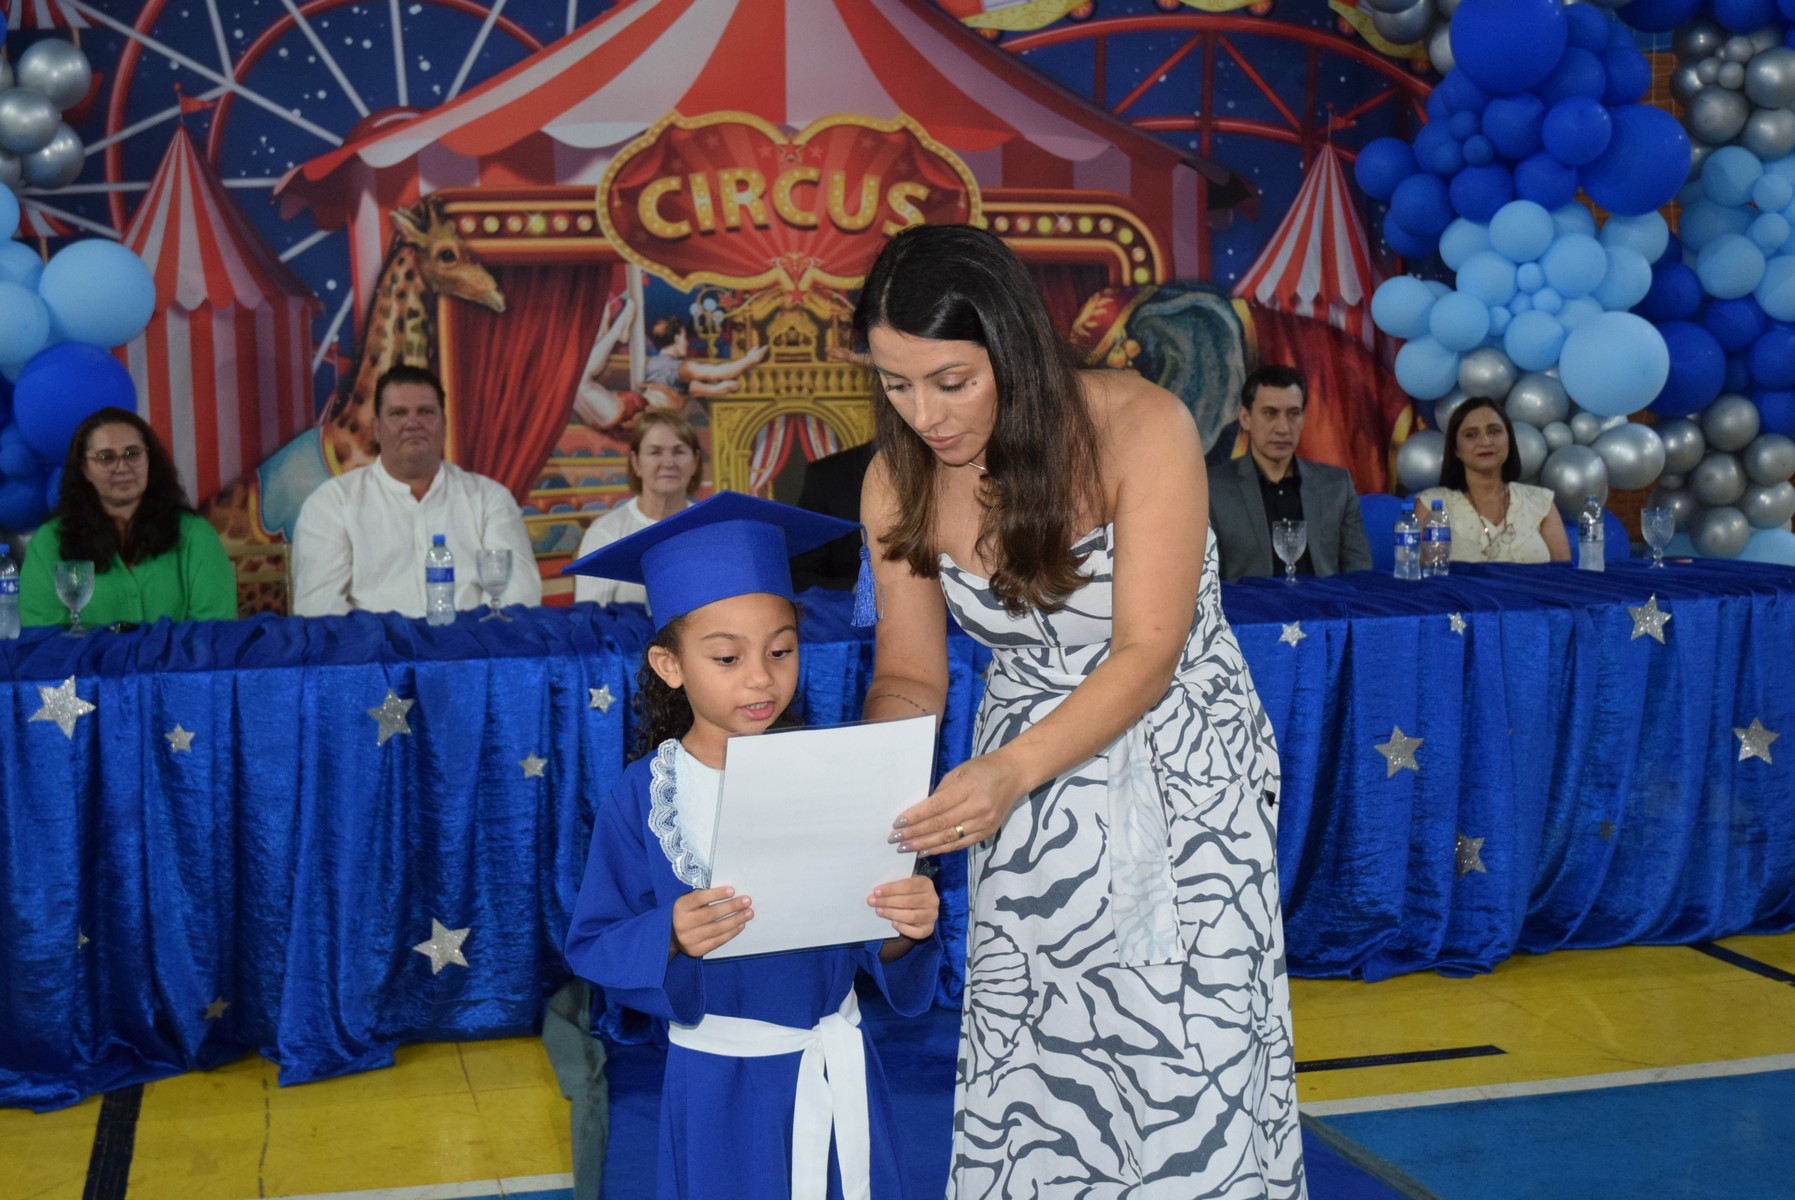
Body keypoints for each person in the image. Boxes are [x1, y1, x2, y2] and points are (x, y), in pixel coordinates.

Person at [853, 225, 1306, 1198]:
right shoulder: (894, 476)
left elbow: (1147, 652)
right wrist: (867, 801)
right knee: (1046, 1065)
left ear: (1010, 347)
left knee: (1186, 1056)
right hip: (1021, 791)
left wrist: (1010, 771)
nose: (922, 412)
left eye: (949, 380)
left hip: (1179, 772)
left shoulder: (1140, 423)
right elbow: (909, 672)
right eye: (894, 384)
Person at [562, 491, 943, 1200]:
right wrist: (668, 933)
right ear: (670, 666)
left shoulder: (837, 777)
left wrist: (905, 926)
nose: (761, 678)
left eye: (780, 650)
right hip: (720, 1088)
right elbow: (594, 939)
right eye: (727, 657)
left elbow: (874, 937)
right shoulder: (646, 797)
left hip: (837, 1066)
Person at [291, 365, 542, 617]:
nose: (412, 423)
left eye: (425, 412)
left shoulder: (489, 499)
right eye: (398, 413)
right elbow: (318, 609)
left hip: (472, 649)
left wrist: (468, 645)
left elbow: (517, 593)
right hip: (376, 652)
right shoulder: (332, 503)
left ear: (443, 424)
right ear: (377, 428)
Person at [20, 407, 236, 628]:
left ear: (149, 459)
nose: (122, 467)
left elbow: (215, 633)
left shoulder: (194, 534)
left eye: (133, 453)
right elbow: (42, 639)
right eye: (106, 457)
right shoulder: (50, 542)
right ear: (84, 469)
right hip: (83, 664)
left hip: (179, 664)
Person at [1208, 363, 1374, 582]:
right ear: (1245, 418)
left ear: (1303, 418)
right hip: (1251, 612)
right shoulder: (1214, 487)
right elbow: (1205, 584)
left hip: (1324, 610)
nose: (1283, 428)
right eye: (1270, 414)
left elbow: (1361, 576)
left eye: (1293, 414)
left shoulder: (1336, 485)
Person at [1413, 397, 1571, 564]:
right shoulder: (1432, 504)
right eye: (1471, 435)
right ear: (1455, 449)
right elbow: (1418, 581)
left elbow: (1564, 578)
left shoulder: (1540, 501)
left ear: (1509, 440)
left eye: (1494, 431)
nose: (1485, 441)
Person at [572, 410, 703, 607]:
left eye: (679, 451)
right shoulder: (605, 533)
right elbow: (591, 622)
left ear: (694, 462)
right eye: (655, 452)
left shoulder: (711, 528)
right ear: (636, 463)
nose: (668, 463)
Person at [791, 439, 876, 591]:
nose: (923, 420)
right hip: (851, 609)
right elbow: (801, 575)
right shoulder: (829, 475)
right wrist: (864, 592)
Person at [643, 316, 769, 402]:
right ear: (676, 338)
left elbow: (689, 388)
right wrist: (749, 360)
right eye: (684, 337)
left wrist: (718, 389)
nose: (687, 343)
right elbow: (718, 373)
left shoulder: (653, 364)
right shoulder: (680, 367)